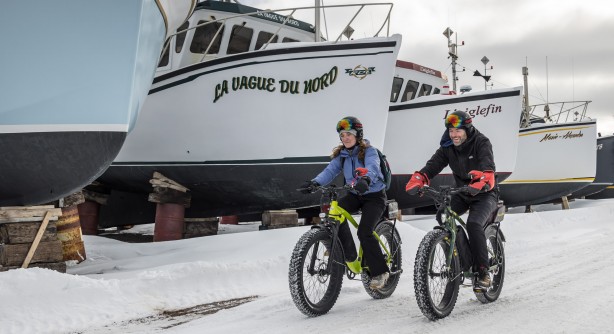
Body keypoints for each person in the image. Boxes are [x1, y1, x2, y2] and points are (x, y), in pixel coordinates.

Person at [405, 110, 498, 289]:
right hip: (463, 192)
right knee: (443, 216)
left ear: (467, 129)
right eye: (451, 131)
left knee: (473, 224)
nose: (454, 135)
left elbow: (488, 166)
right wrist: (421, 178)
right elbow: (433, 165)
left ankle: (483, 271)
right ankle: (463, 259)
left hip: (485, 193)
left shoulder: (481, 142)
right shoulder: (448, 146)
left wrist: (484, 179)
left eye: (458, 131)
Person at [300, 116, 390, 289]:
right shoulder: (342, 155)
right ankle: (347, 254)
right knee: (335, 213)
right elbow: (330, 171)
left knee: (364, 231)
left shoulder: (369, 151)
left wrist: (366, 179)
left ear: (358, 135)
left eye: (349, 134)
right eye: (342, 135)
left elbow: (373, 167)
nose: (345, 138)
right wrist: (314, 183)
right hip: (356, 194)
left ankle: (380, 272)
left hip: (374, 196)